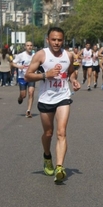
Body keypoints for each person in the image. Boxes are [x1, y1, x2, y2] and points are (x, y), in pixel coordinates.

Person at [25, 27, 81, 183]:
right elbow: (27, 75)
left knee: (61, 132)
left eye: (60, 40)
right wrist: (45, 75)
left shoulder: (68, 55)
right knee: (48, 133)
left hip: (63, 96)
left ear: (63, 40)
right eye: (54, 39)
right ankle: (47, 156)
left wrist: (74, 80)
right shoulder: (41, 55)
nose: (57, 43)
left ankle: (59, 167)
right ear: (48, 40)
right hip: (46, 98)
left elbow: (70, 72)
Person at [11, 41, 36, 118]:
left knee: (31, 92)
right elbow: (12, 63)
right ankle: (20, 97)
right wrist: (19, 67)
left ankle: (28, 111)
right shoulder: (21, 55)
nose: (29, 47)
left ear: (32, 47)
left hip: (31, 77)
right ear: (25, 47)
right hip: (22, 77)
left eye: (31, 45)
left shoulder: (35, 56)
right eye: (28, 45)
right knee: (23, 95)